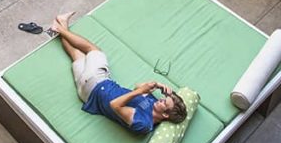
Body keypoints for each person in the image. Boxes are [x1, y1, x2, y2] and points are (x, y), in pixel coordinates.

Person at [53, 12, 187, 134]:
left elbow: (115, 105)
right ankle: (62, 23)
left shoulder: (143, 124)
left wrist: (140, 92)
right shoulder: (153, 102)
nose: (161, 99)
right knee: (77, 55)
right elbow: (137, 86)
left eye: (165, 102)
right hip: (86, 94)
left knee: (93, 50)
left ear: (165, 115)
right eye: (164, 98)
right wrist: (156, 85)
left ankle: (59, 28)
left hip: (99, 83)